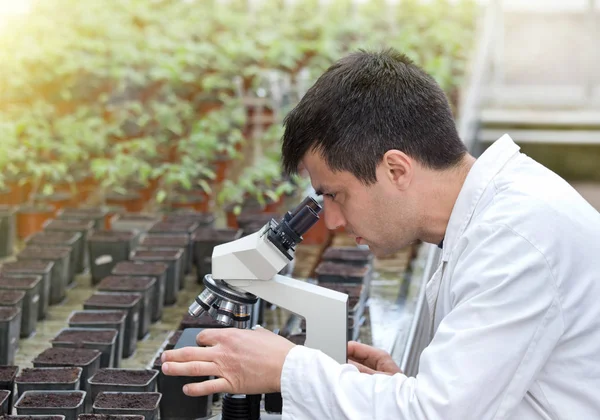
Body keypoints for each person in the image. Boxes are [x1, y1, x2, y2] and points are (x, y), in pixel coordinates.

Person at [160, 49, 600, 419]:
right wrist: (401, 388)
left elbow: (436, 416)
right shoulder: (484, 219)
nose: (331, 221)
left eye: (335, 195)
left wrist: (288, 367)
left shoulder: (517, 239)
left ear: (395, 169)